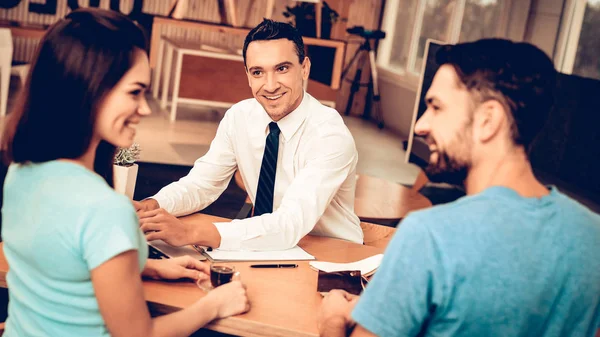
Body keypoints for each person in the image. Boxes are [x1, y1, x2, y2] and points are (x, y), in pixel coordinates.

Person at [317, 39, 600, 336]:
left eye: (436, 107)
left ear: (488, 120)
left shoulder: (431, 236)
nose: (420, 126)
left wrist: (333, 319)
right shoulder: (592, 236)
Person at [1, 8, 249, 337]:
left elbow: (59, 263)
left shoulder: (20, 173)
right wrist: (215, 304)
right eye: (135, 92)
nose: (145, 108)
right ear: (88, 88)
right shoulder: (105, 208)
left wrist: (150, 268)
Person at [135, 19, 363, 251]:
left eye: (282, 68)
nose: (270, 85)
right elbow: (202, 184)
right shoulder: (239, 117)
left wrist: (191, 232)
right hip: (266, 244)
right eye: (258, 72)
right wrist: (153, 206)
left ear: (304, 68)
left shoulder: (329, 135)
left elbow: (290, 224)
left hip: (332, 255)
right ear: (247, 75)